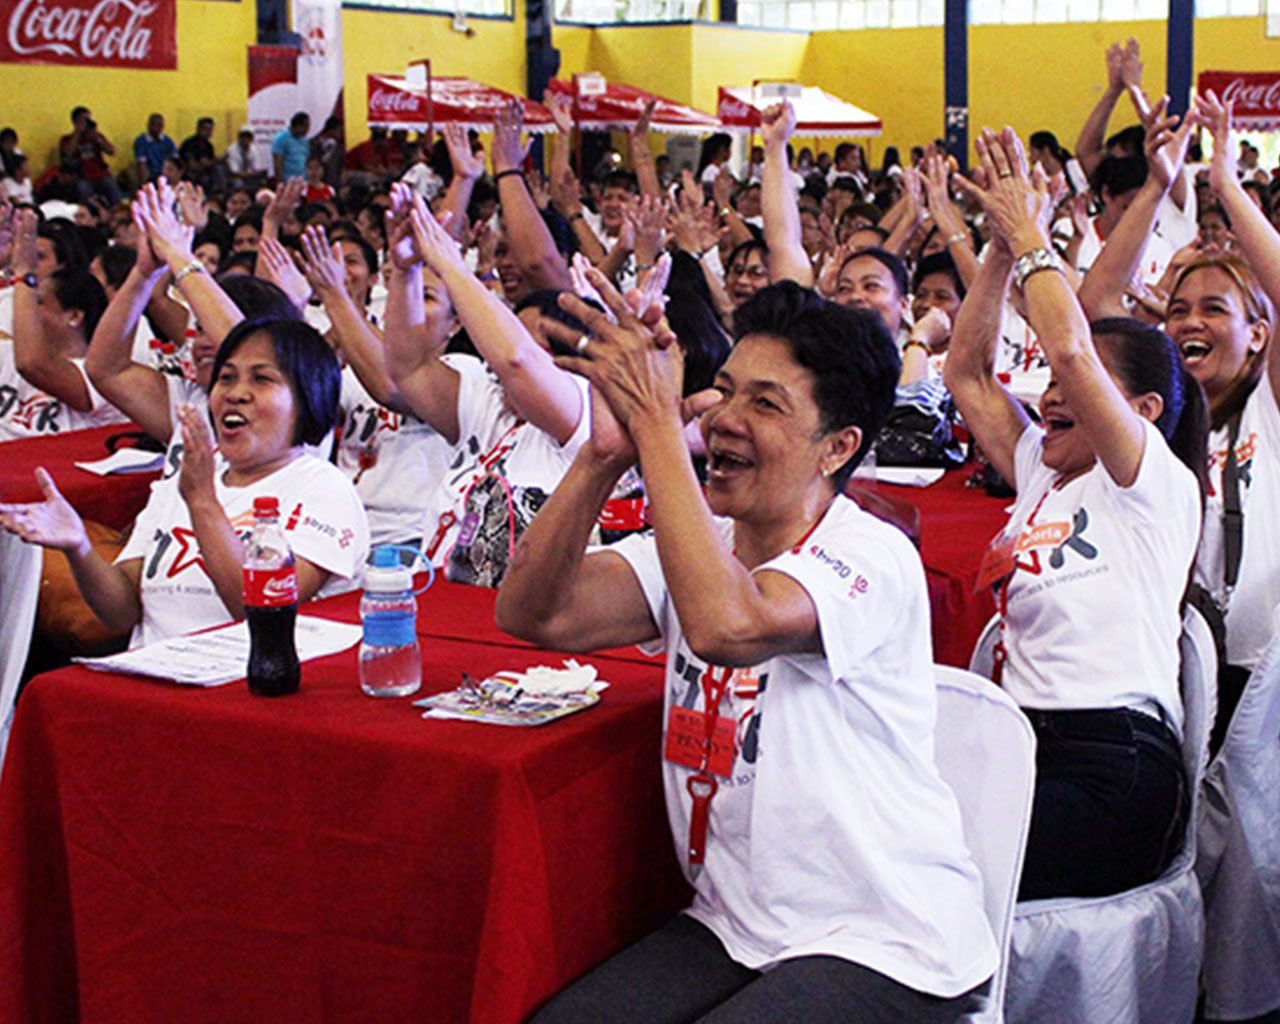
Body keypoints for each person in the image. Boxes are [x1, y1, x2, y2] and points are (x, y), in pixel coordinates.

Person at [496, 276, 996, 1023]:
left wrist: (658, 424)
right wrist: (604, 454)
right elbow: (534, 612)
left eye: (765, 404)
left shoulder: (870, 553)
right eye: (724, 391)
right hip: (734, 929)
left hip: (887, 940)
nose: (726, 419)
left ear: (838, 447)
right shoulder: (707, 547)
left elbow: (727, 625)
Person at [945, 125, 1205, 899]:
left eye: (1079, 393)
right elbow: (966, 371)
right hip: (1021, 747)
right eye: (1053, 394)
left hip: (1114, 765)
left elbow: (1070, 353)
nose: (1052, 397)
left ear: (1144, 412)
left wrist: (1032, 238)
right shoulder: (1040, 470)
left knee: (937, 867)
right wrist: (997, 248)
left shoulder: (1151, 485)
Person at [0, 317, 369, 650]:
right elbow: (122, 612)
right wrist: (79, 546)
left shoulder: (323, 489)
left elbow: (258, 610)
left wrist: (202, 503)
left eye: (262, 378)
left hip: (244, 688)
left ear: (308, 399)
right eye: (226, 377)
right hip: (152, 675)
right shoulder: (185, 480)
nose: (235, 393)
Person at [1170, 91, 1280, 749]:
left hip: (1258, 672)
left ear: (1260, 335)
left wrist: (1224, 187)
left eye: (1214, 309)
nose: (1189, 322)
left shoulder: (1268, 411)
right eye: (1178, 309)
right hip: (1179, 665)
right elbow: (1095, 312)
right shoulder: (1161, 421)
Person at [0, 208, 119, 441]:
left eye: (39, 303)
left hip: (47, 473)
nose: (26, 311)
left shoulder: (101, 376)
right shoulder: (6, 352)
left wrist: (24, 273)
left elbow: (32, 365)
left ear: (74, 316)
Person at [59, 106, 120, 208]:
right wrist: (78, 133)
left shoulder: (96, 136)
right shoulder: (67, 139)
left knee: (111, 185)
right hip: (82, 176)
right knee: (83, 189)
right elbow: (68, 153)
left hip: (101, 175)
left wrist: (97, 139)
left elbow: (112, 151)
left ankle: (117, 213)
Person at [133, 113, 177, 185]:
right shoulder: (141, 141)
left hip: (166, 175)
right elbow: (141, 164)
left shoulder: (167, 141)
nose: (157, 128)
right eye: (154, 125)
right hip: (151, 176)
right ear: (149, 125)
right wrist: (145, 184)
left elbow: (175, 161)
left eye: (160, 125)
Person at [272, 112, 311, 185]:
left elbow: (306, 160)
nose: (307, 130)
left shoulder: (304, 140)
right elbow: (277, 164)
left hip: (303, 182)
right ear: (298, 125)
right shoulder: (281, 138)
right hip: (288, 182)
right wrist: (280, 183)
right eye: (306, 127)